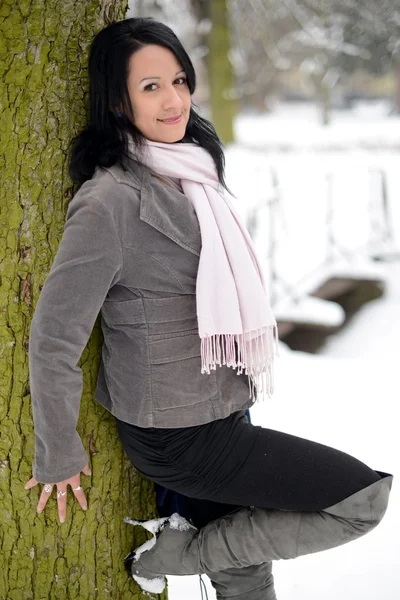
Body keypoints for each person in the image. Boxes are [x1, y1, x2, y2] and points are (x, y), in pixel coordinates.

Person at [24, 17, 393, 600]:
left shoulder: (191, 172)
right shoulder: (110, 201)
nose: (174, 100)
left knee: (245, 572)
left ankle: (201, 552)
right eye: (150, 87)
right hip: (178, 433)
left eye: (179, 80)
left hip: (221, 406)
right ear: (117, 101)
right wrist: (57, 453)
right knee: (361, 499)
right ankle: (181, 553)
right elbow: (53, 336)